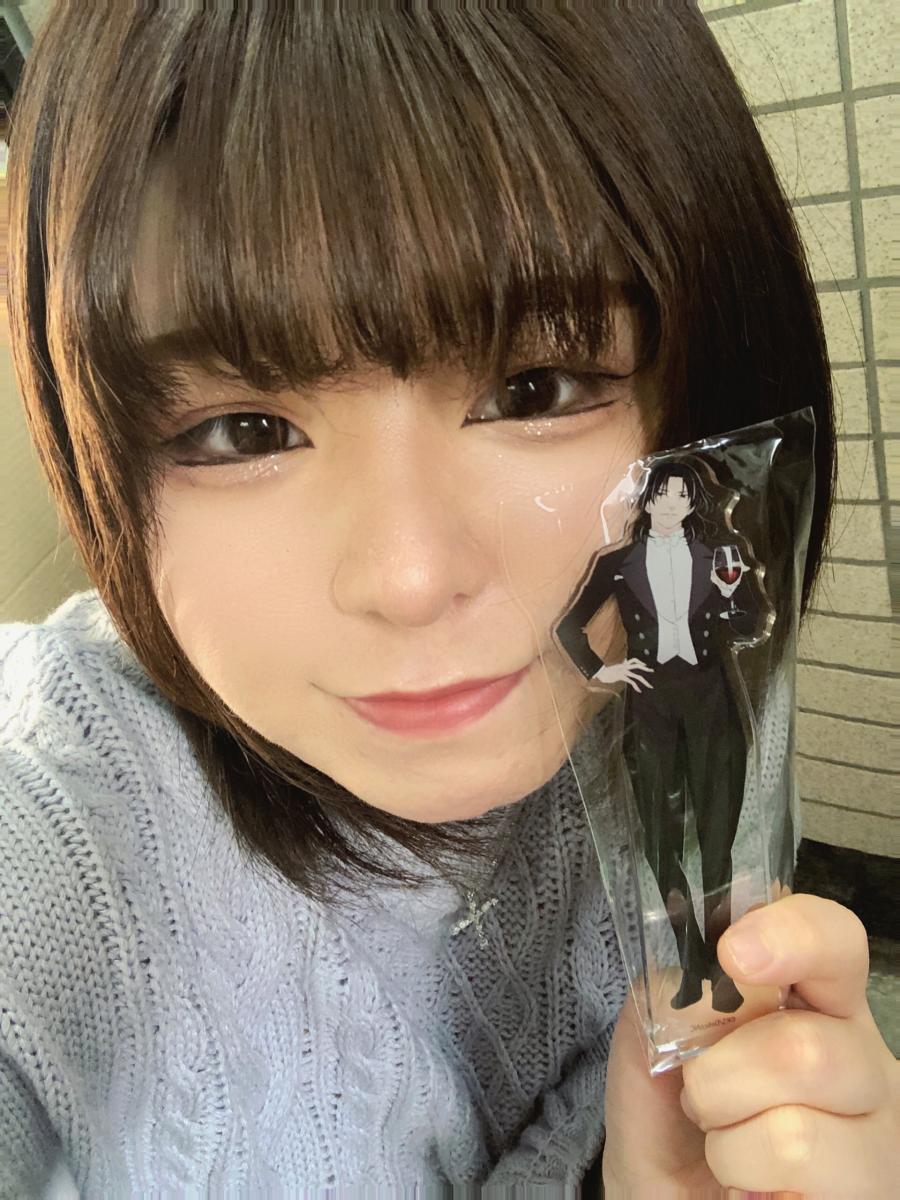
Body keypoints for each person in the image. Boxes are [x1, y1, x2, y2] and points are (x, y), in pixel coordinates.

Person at [1, 5, 895, 1195]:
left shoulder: (682, 662)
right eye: (243, 431)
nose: (411, 579)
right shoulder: (52, 829)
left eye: (537, 387)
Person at [554, 459, 762, 1015]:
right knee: (659, 844)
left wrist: (730, 594)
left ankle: (721, 969)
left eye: (682, 496)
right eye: (663, 495)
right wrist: (603, 669)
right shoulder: (619, 563)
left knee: (717, 844)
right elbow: (568, 626)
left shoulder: (719, 556)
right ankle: (690, 960)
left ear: (693, 504)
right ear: (647, 501)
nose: (672, 505)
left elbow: (749, 624)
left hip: (712, 702)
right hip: (650, 707)